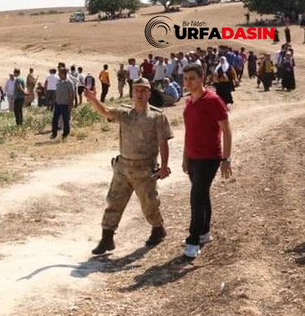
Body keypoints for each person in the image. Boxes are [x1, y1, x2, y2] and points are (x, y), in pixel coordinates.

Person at [84, 77, 173, 255]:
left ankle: (158, 229)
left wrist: (164, 166)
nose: (139, 93)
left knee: (149, 204)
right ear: (132, 93)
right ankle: (107, 238)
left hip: (145, 169)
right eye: (136, 90)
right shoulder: (125, 114)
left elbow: (163, 142)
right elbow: (107, 112)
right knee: (114, 202)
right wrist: (94, 100)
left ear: (149, 93)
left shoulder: (157, 116)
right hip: (123, 167)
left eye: (143, 90)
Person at [181, 63, 233, 259]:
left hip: (209, 158)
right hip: (193, 157)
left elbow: (226, 131)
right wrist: (185, 157)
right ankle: (204, 233)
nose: (188, 82)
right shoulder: (188, 102)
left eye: (192, 78)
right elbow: (189, 132)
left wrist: (226, 159)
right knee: (202, 195)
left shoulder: (213, 101)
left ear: (202, 78)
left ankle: (193, 241)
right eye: (185, 78)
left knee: (196, 197)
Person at [50, 68, 75, 141]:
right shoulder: (58, 82)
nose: (58, 74)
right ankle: (54, 133)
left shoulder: (69, 83)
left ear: (64, 74)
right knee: (55, 119)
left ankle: (65, 134)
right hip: (58, 104)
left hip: (65, 104)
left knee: (66, 120)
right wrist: (54, 100)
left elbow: (72, 94)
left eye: (60, 73)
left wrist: (70, 104)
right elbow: (56, 91)